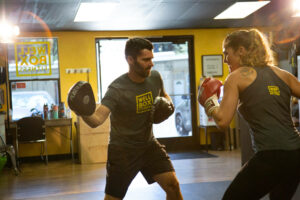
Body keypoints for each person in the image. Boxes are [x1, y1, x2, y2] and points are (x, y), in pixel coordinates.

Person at [68, 38, 183, 200]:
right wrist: (81, 110)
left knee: (173, 185)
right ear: (130, 60)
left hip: (149, 145)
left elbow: (164, 95)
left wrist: (168, 105)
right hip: (123, 152)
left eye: (151, 59)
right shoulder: (117, 89)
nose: (151, 64)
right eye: (146, 60)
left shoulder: (155, 78)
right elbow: (97, 119)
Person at [198, 28, 300, 200]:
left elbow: (222, 122)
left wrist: (209, 101)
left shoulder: (236, 77)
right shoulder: (283, 75)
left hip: (270, 156)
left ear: (241, 51)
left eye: (226, 54)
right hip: (295, 155)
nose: (225, 60)